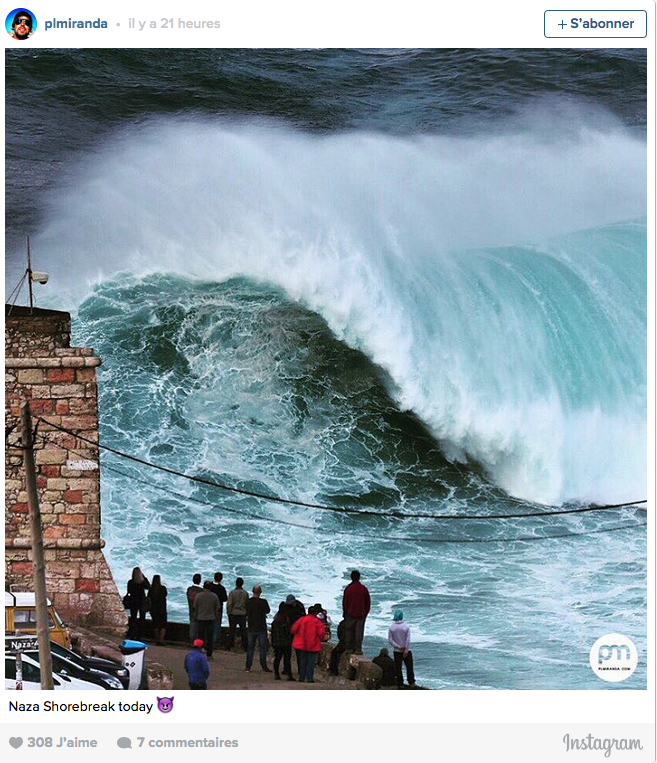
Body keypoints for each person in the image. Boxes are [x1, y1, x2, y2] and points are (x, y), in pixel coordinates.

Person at [291, 604, 326, 683]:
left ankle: (301, 678)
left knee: (302, 661)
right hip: (313, 645)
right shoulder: (317, 622)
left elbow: (293, 629)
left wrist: (297, 636)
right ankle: (309, 678)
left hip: (301, 644)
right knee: (311, 663)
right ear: (315, 613)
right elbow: (321, 634)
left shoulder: (302, 619)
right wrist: (318, 640)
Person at [342, 569, 370, 654]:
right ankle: (358, 649)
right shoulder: (363, 589)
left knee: (349, 632)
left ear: (351, 578)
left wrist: (345, 612)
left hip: (350, 614)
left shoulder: (348, 589)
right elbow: (368, 602)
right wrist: (365, 613)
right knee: (359, 632)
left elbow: (345, 602)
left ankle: (349, 649)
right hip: (361, 614)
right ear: (359, 577)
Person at [245, 584, 271, 673]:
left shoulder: (248, 602)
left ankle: (248, 666)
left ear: (252, 591)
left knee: (250, 648)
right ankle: (264, 666)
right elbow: (268, 610)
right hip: (261, 627)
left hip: (251, 627)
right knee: (263, 648)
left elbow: (246, 611)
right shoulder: (263, 602)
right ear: (260, 592)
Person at [388, 610, 415, 689]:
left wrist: (398, 647)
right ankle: (411, 682)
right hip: (407, 650)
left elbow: (390, 640)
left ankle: (400, 684)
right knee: (409, 667)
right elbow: (408, 639)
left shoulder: (391, 627)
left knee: (398, 668)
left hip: (397, 651)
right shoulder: (406, 626)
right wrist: (406, 650)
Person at [193, 581, 220, 659]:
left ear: (203, 587)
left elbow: (195, 607)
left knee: (200, 637)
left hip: (200, 618)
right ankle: (209, 653)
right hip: (210, 618)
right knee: (210, 637)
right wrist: (214, 615)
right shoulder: (214, 596)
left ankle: (199, 652)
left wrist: (196, 616)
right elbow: (217, 608)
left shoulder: (199, 596)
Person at [270, 602, 295, 681]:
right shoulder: (286, 621)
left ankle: (276, 674)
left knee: (277, 658)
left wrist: (273, 642)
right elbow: (288, 632)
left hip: (277, 643)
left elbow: (272, 633)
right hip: (285, 643)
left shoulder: (275, 621)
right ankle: (289, 675)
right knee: (287, 659)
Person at [126, 567, 150, 639]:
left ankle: (132, 635)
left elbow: (129, 591)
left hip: (133, 601)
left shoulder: (130, 582)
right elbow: (148, 587)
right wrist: (144, 577)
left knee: (133, 618)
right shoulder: (143, 582)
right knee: (142, 619)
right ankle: (140, 636)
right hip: (142, 601)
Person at [227, 577, 248, 651]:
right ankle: (245, 647)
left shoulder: (232, 593)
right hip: (242, 614)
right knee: (243, 631)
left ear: (236, 583)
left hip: (233, 613)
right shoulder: (245, 593)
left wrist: (229, 612)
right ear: (242, 584)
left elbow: (229, 604)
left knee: (232, 631)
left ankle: (229, 646)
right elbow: (247, 604)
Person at [210, 572, 228, 649]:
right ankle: (214, 645)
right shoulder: (222, 588)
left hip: (209, 609)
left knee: (208, 627)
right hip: (218, 610)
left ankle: (207, 643)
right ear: (221, 579)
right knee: (216, 627)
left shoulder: (209, 586)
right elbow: (225, 599)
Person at [149, 574, 168, 645]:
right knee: (163, 625)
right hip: (162, 608)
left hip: (153, 609)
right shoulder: (163, 588)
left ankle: (156, 639)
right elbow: (165, 595)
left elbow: (149, 598)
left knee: (155, 624)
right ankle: (161, 640)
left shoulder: (151, 589)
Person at [186, 573, 203, 642]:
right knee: (199, 629)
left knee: (192, 627)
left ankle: (192, 641)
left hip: (191, 611)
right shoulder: (201, 591)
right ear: (200, 581)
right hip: (200, 613)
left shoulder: (189, 589)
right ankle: (197, 642)